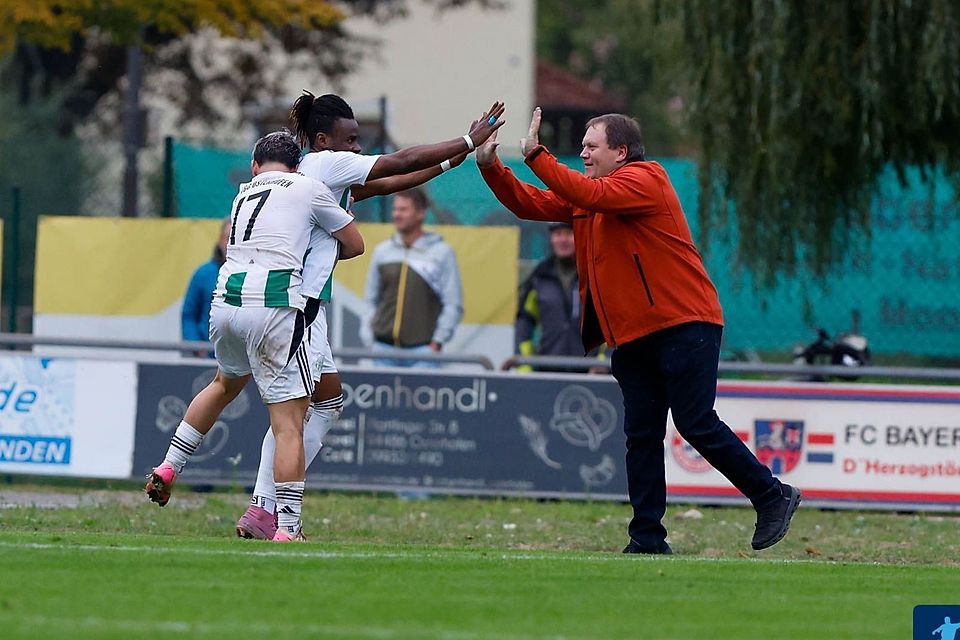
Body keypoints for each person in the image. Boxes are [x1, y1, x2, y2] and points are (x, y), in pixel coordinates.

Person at [476, 108, 801, 554]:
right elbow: (530, 203)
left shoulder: (646, 178)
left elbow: (582, 191)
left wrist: (536, 155)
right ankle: (647, 538)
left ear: (621, 151)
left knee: (695, 422)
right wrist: (490, 166)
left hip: (683, 323)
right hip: (632, 337)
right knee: (642, 437)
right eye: (583, 146)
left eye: (591, 146)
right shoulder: (591, 195)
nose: (583, 154)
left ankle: (772, 495)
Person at [233, 92, 500, 539]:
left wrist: (451, 162)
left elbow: (388, 182)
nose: (358, 148)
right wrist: (467, 141)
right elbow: (400, 160)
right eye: (351, 139)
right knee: (294, 415)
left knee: (326, 403)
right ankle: (270, 511)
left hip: (301, 305)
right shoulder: (325, 164)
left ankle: (263, 506)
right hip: (301, 307)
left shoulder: (315, 172)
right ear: (323, 140)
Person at [145, 130, 364, 543]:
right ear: (297, 166)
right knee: (289, 425)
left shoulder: (243, 192)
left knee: (222, 385)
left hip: (227, 301)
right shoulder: (308, 187)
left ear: (254, 166)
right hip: (275, 303)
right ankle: (287, 527)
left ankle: (170, 465)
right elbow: (355, 245)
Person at [361, 187, 464, 368]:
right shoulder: (382, 252)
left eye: (403, 209)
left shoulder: (442, 253)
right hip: (382, 350)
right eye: (395, 209)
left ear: (420, 213)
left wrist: (437, 342)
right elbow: (371, 299)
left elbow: (452, 303)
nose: (396, 214)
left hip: (423, 353)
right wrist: (369, 339)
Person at [515, 221, 593, 371]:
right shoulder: (539, 276)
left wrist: (603, 363)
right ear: (551, 238)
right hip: (548, 370)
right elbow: (524, 321)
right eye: (558, 234)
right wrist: (525, 364)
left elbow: (611, 322)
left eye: (569, 234)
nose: (563, 240)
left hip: (590, 373)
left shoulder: (593, 274)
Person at [181, 217, 230, 355]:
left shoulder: (253, 276)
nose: (231, 244)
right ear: (220, 240)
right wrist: (196, 347)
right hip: (207, 358)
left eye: (236, 239)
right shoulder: (203, 274)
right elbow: (188, 316)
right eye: (228, 238)